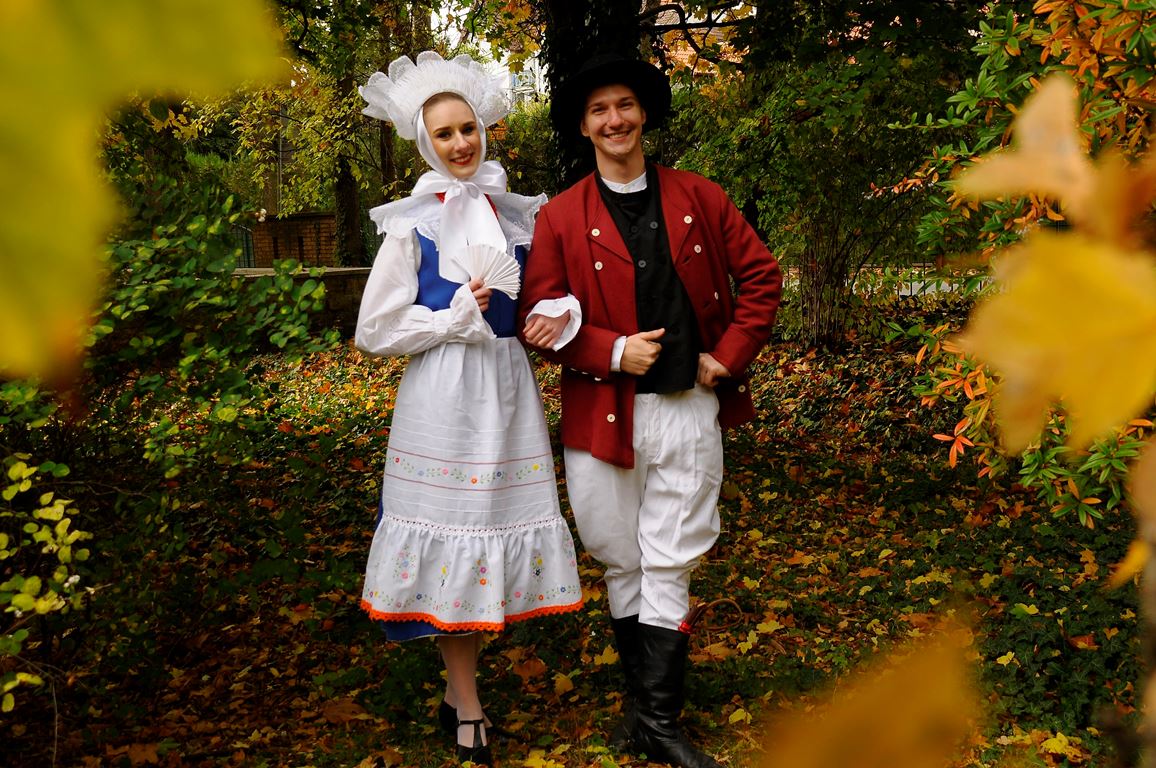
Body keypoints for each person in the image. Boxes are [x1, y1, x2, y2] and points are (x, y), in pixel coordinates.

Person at [519, 53, 782, 768]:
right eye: (599, 110)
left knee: (672, 557)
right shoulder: (559, 217)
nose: (615, 120)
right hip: (603, 412)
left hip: (688, 408)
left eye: (626, 105)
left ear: (644, 114)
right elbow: (537, 318)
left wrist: (728, 354)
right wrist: (610, 351)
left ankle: (660, 722)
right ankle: (643, 713)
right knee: (621, 557)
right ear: (583, 126)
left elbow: (761, 277)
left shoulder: (701, 196)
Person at [355, 51, 584, 766]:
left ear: (484, 129)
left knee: (485, 538)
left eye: (468, 129)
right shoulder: (411, 226)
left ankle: (459, 694)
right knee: (453, 535)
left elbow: (545, 293)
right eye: (445, 134)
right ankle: (468, 700)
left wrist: (558, 312)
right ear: (426, 144)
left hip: (506, 390)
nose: (461, 143)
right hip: (443, 395)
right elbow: (373, 330)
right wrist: (451, 319)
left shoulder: (515, 215)